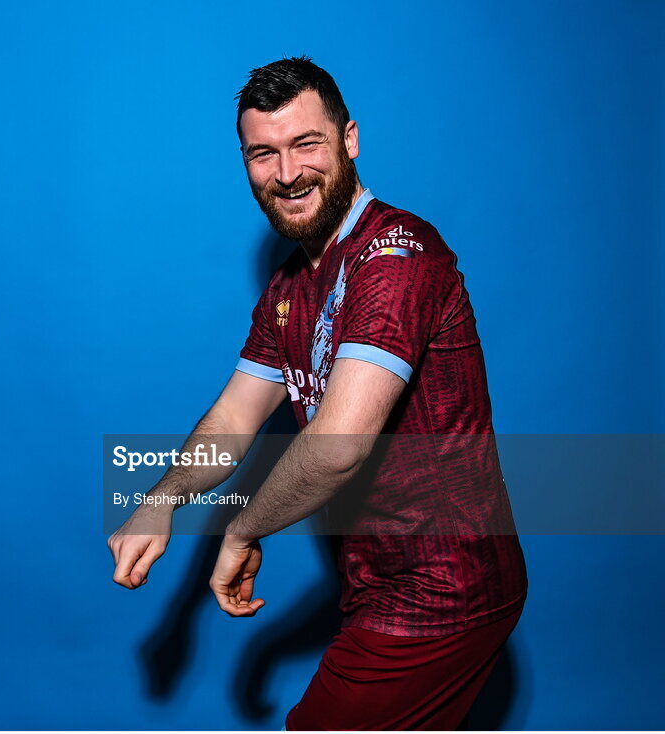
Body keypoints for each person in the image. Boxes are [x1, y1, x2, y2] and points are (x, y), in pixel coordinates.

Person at [107, 56, 527, 730]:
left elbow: (337, 448)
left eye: (307, 145)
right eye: (263, 154)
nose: (288, 173)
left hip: (444, 590)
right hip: (375, 583)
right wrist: (161, 502)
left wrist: (243, 530)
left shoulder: (397, 257)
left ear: (350, 139)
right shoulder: (289, 285)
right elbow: (234, 418)